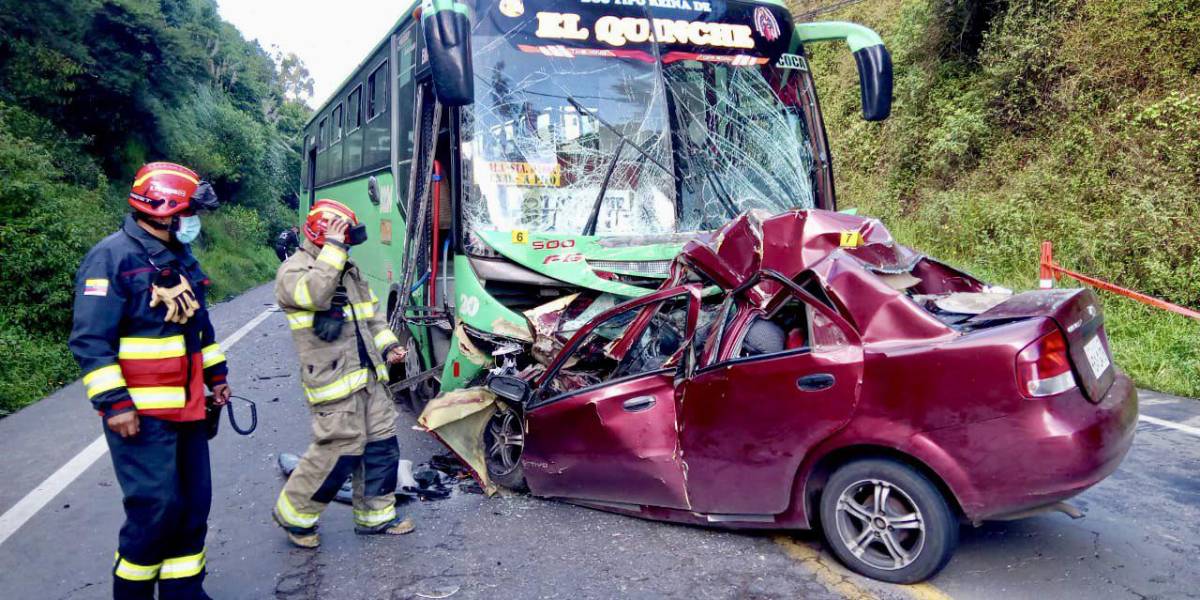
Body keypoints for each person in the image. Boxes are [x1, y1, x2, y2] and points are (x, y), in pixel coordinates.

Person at [69, 162, 231, 600]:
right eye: (191, 212)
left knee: (193, 505)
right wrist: (115, 404)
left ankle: (184, 593)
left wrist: (217, 376)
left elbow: (200, 328)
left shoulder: (181, 258)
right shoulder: (111, 258)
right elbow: (90, 340)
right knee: (155, 509)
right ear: (163, 210)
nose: (196, 221)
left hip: (190, 407)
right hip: (141, 415)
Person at [272, 198, 413, 548]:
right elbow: (317, 294)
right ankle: (295, 516)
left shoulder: (348, 270)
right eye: (343, 238)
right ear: (326, 236)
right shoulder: (295, 272)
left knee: (382, 445)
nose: (348, 245)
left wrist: (389, 346)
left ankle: (376, 517)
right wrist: (333, 251)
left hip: (369, 378)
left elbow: (372, 315)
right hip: (332, 383)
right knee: (339, 451)